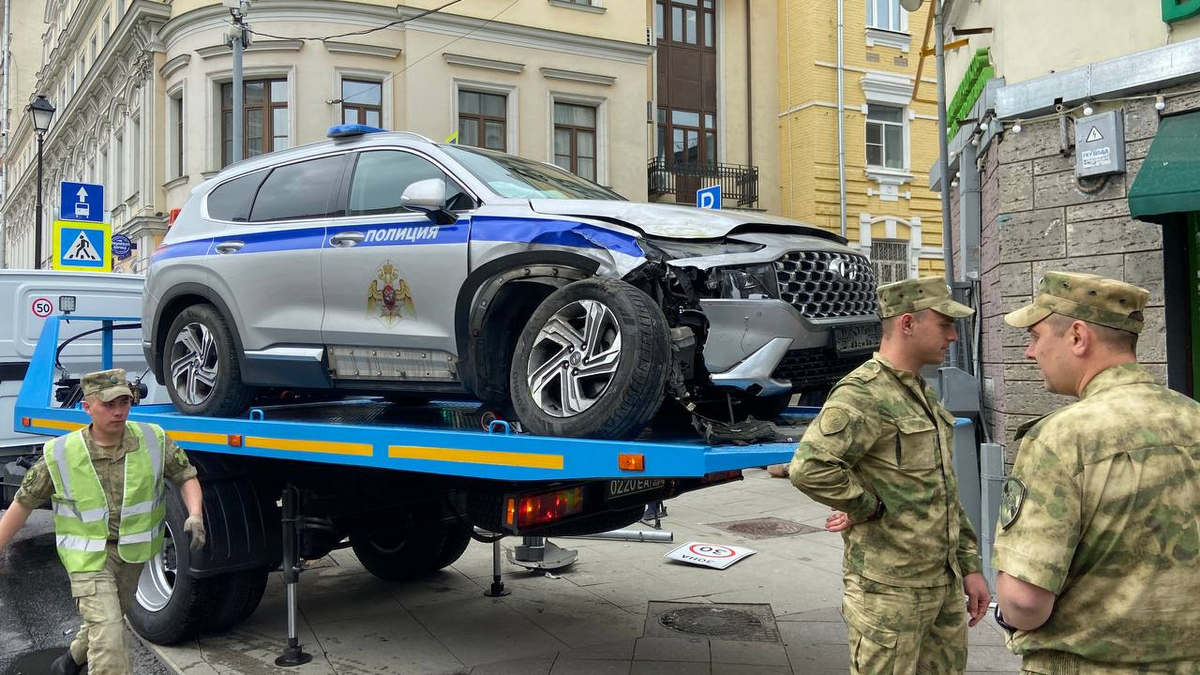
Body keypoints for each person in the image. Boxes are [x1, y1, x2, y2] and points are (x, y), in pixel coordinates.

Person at [994, 271, 1200, 673]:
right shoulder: (1194, 417)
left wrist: (1007, 615)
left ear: (1077, 336)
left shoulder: (1063, 437)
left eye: (1035, 336)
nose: (1029, 353)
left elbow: (1024, 601)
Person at [789, 276, 991, 674]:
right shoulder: (862, 393)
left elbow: (945, 490)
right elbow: (810, 468)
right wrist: (867, 505)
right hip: (889, 590)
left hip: (942, 583)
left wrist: (969, 567)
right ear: (907, 324)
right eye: (944, 324)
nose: (952, 336)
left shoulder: (922, 391)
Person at [0, 369, 206, 675]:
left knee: (107, 620)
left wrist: (195, 514)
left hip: (132, 555)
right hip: (88, 559)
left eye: (124, 401)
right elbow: (23, 503)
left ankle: (68, 663)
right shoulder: (61, 453)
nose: (119, 410)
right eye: (109, 404)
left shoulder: (152, 439)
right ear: (87, 407)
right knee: (109, 639)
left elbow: (186, 476)